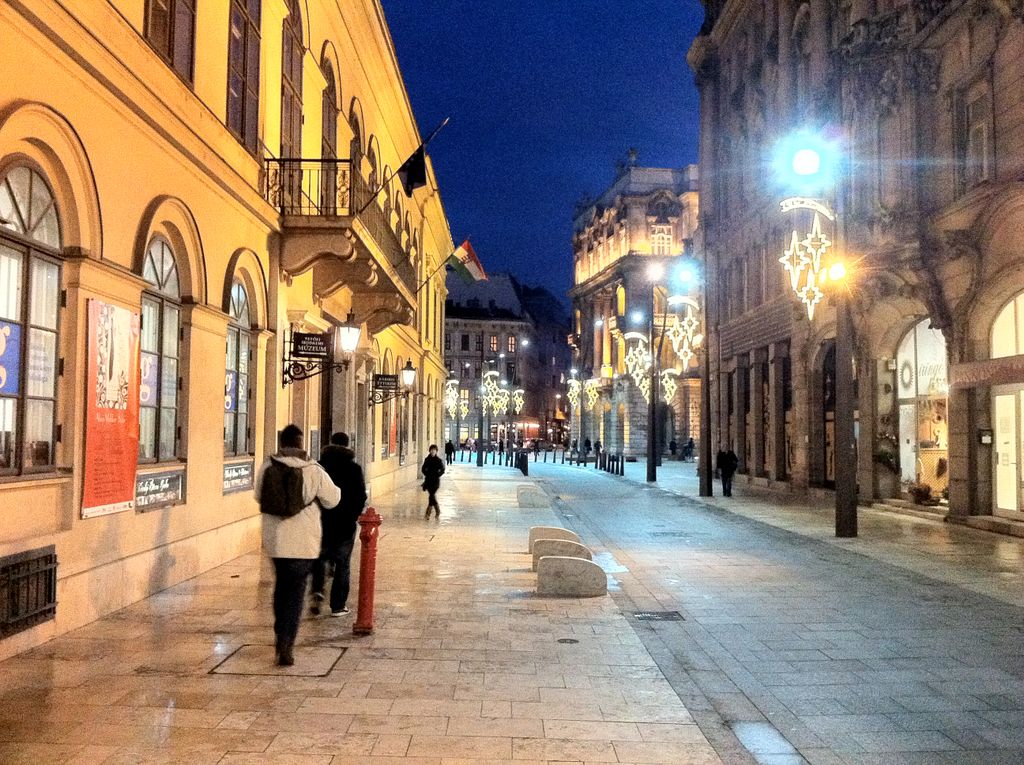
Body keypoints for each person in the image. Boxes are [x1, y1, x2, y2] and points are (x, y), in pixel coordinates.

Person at [255, 424, 340, 666]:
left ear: (282, 443)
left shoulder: (267, 467)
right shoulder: (314, 470)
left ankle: (280, 630)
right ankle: (286, 641)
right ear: (301, 444)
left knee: (281, 587)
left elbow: (259, 496)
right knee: (295, 593)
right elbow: (333, 499)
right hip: (304, 543)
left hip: (276, 541)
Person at [311, 432, 367, 618]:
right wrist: (354, 515)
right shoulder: (354, 469)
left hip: (321, 521)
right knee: (343, 563)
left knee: (319, 557)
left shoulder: (319, 466)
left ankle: (317, 590)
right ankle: (338, 605)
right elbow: (360, 496)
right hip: (345, 523)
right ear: (348, 445)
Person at [421, 444, 446, 516]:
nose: (432, 451)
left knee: (432, 495)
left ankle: (429, 512)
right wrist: (427, 474)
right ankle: (436, 510)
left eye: (434, 450)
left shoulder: (438, 460)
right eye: (431, 450)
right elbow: (423, 469)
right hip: (428, 481)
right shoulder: (427, 459)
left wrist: (437, 475)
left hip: (435, 481)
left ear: (436, 451)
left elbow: (442, 469)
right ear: (429, 451)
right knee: (431, 495)